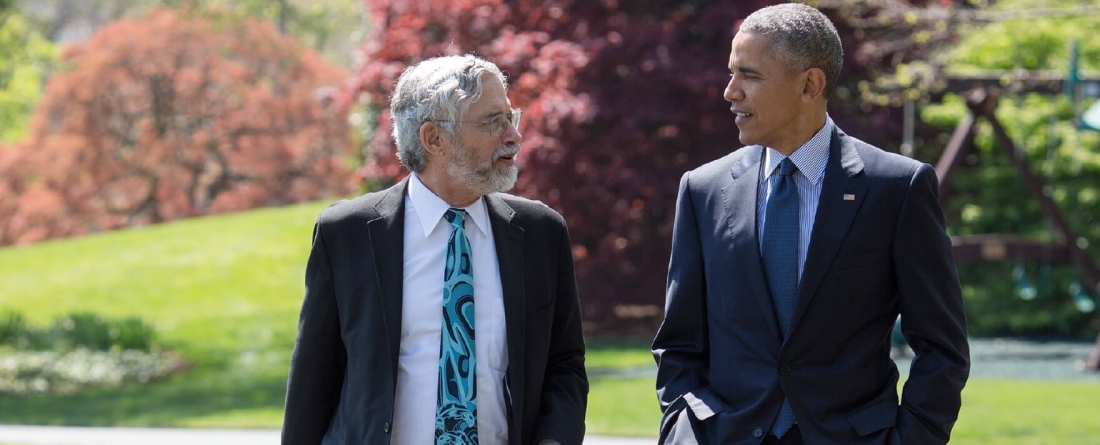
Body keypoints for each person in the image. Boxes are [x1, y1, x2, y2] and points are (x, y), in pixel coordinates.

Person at [651, 4, 970, 445]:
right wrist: (682, 429)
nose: (730, 91)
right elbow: (678, 344)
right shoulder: (703, 189)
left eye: (750, 75)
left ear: (810, 85)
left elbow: (942, 347)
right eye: (730, 73)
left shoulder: (896, 188)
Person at [282, 55, 588, 445]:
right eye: (493, 121)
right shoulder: (347, 234)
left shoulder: (541, 234)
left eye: (512, 118)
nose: (513, 136)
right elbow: (313, 378)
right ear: (434, 139)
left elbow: (564, 365)